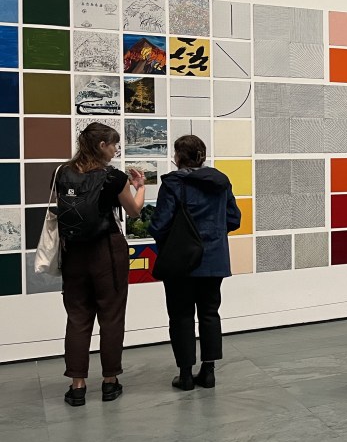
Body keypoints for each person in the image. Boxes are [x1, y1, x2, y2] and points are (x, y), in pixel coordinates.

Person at [57, 123, 145, 406]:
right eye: (114, 144)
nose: (116, 149)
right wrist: (139, 188)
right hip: (107, 250)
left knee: (77, 317)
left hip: (73, 252)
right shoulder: (114, 177)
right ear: (101, 146)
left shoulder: (62, 172)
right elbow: (134, 211)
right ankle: (110, 381)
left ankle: (77, 386)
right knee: (111, 316)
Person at [149, 135, 241, 390]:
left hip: (180, 261)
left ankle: (186, 375)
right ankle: (208, 372)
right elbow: (234, 219)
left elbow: (159, 224)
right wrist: (212, 233)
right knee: (210, 313)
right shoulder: (220, 182)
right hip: (213, 259)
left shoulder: (173, 184)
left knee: (181, 316)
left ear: (178, 156)